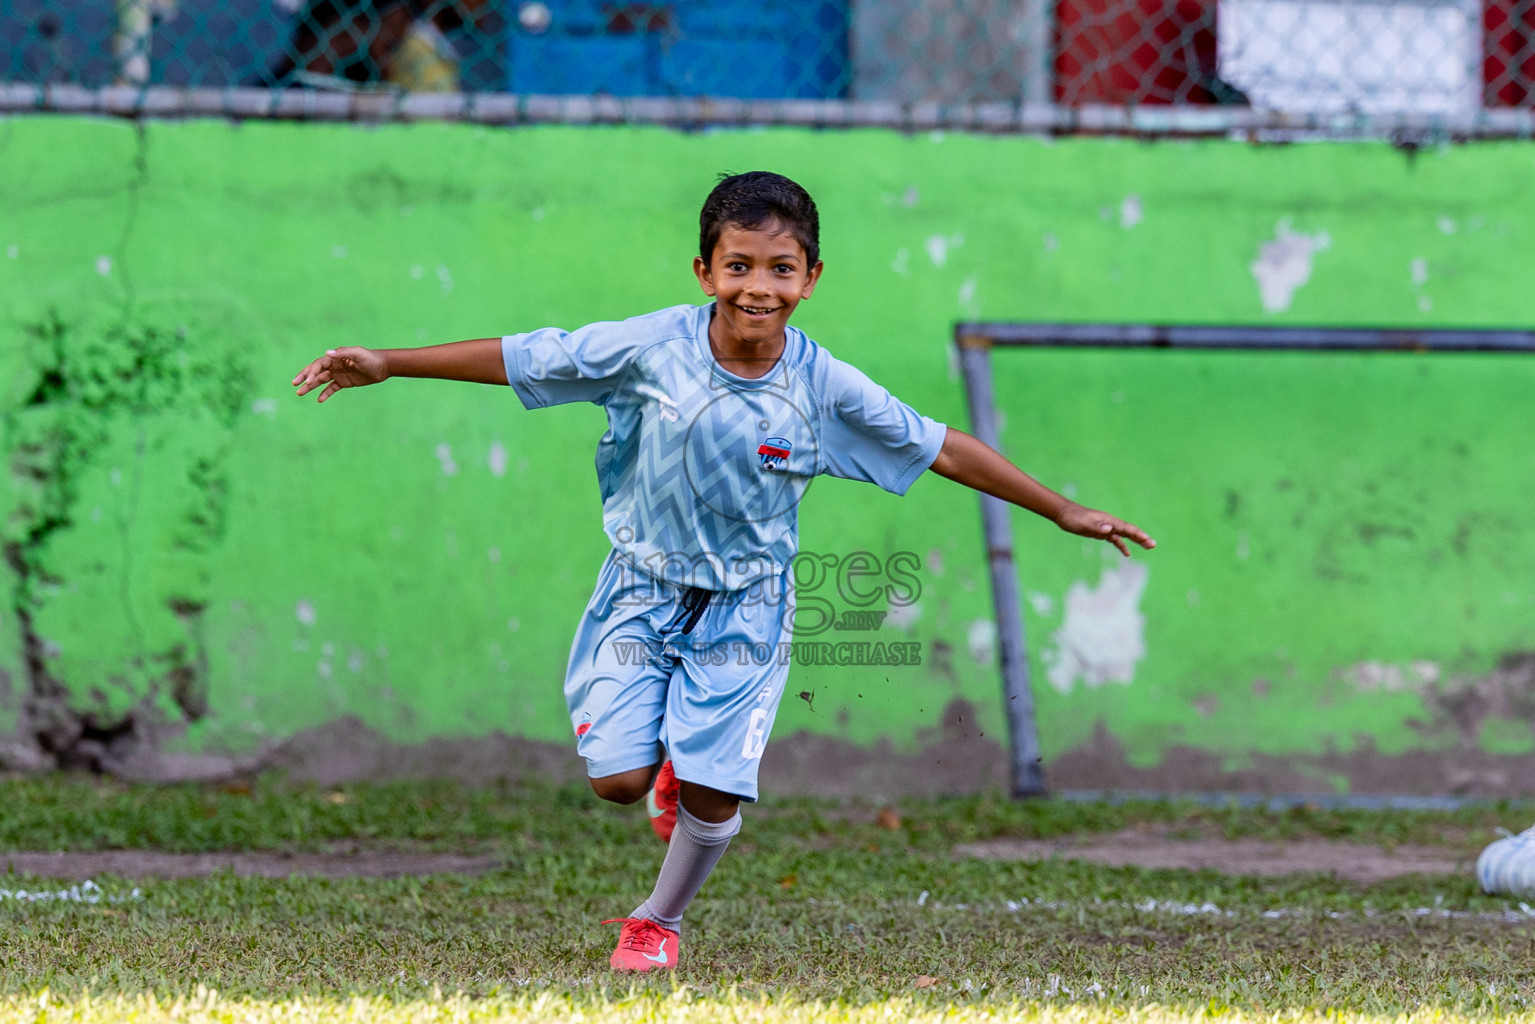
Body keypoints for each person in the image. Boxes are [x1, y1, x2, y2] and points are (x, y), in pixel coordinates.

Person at [291, 171, 1155, 971]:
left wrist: (1061, 509)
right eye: (738, 265)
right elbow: (525, 356)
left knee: (713, 787)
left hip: (749, 603)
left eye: (780, 269)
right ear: (704, 270)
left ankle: (657, 921)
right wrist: (390, 362)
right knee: (618, 784)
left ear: (811, 277)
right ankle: (661, 769)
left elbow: (941, 449)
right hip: (638, 588)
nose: (757, 288)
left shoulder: (826, 388)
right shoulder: (648, 349)